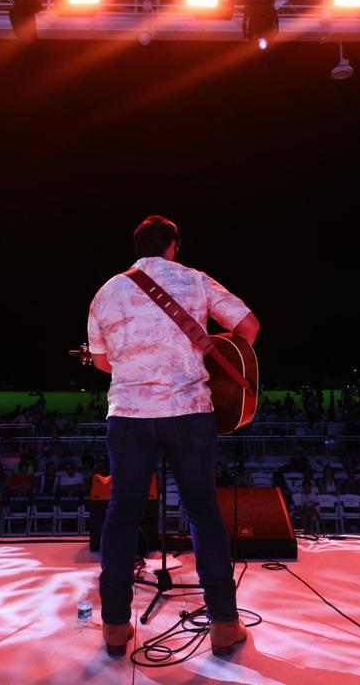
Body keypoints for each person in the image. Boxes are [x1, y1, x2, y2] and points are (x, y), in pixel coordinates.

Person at [87, 215, 259, 657]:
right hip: (188, 414)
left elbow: (104, 363)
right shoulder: (195, 280)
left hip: (129, 417)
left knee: (122, 517)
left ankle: (113, 627)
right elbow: (250, 327)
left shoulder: (107, 291)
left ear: (138, 247)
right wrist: (208, 345)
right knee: (202, 513)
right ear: (173, 246)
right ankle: (223, 624)